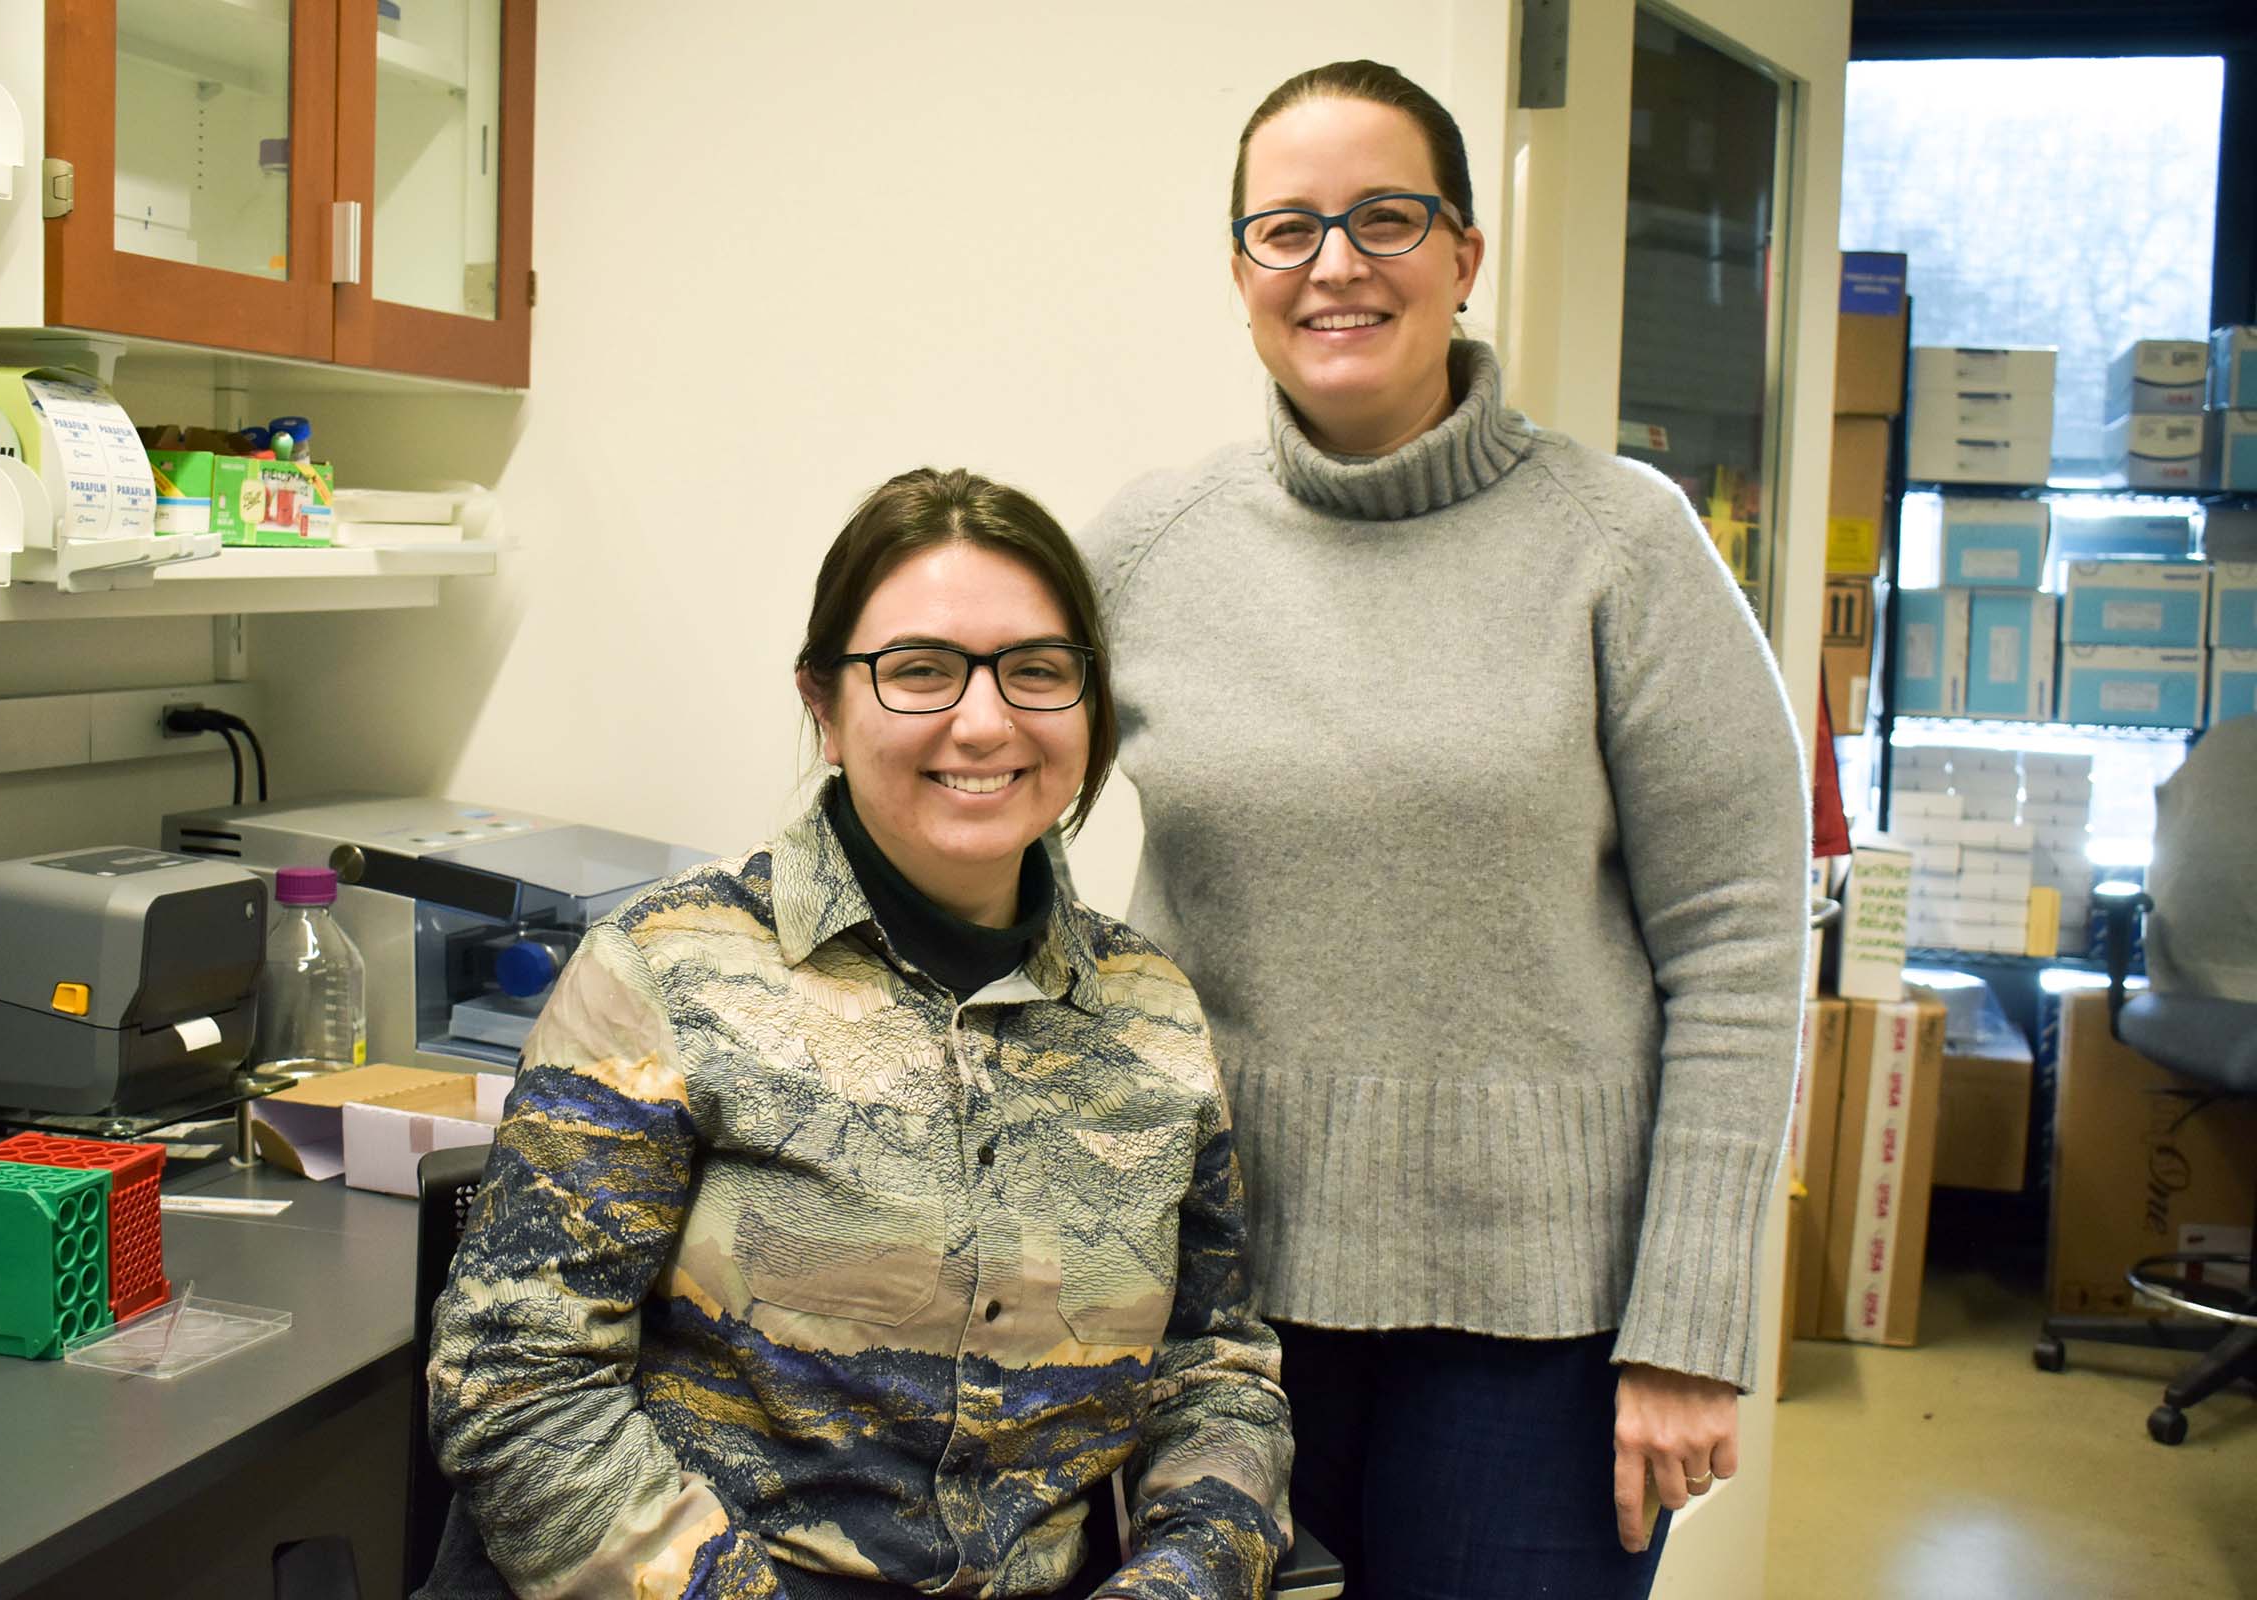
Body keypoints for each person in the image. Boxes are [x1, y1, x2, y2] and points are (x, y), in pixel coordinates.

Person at [1069, 59, 1810, 1598]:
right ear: (1241, 272)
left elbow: (1740, 943)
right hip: (1215, 1312)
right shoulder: (1145, 548)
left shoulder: (1622, 544)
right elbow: (967, 796)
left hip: (1543, 1336)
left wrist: (1693, 1325)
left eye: (1386, 218)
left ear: (1465, 257)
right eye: (1288, 228)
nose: (1336, 263)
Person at [420, 467, 1293, 1600]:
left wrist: (1183, 1578)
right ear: (825, 708)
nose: (985, 721)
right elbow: (516, 1378)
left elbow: (1211, 1369)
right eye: (920, 671)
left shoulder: (1149, 1011)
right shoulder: (671, 974)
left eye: (1037, 670)